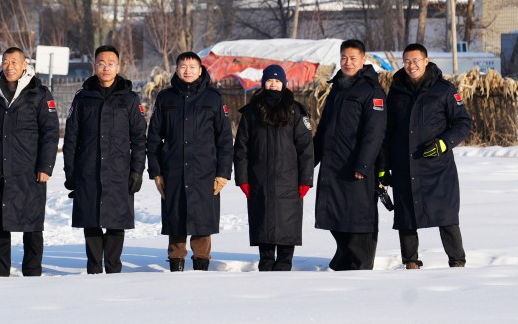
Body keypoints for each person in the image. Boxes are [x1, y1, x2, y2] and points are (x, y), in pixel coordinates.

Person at [385, 43, 472, 269]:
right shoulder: (396, 91)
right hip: (405, 165)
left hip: (437, 168)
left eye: (416, 61)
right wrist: (384, 165)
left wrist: (444, 143)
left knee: (447, 216)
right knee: (406, 218)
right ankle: (410, 262)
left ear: (426, 61)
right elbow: (388, 131)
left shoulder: (444, 89)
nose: (411, 66)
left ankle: (457, 262)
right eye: (407, 62)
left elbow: (463, 123)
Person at [0, 47, 60, 277]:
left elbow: (50, 132)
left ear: (25, 65)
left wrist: (45, 166)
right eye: (5, 61)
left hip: (29, 171)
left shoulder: (39, 93)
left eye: (15, 62)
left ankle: (32, 272)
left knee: (31, 224)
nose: (10, 66)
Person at [63, 45, 147, 274]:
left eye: (111, 63)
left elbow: (139, 138)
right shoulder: (82, 99)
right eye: (101, 63)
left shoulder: (129, 99)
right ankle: (93, 267)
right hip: (87, 170)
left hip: (119, 171)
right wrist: (70, 173)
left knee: (115, 221)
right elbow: (71, 137)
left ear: (118, 67)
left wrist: (137, 170)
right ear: (95, 66)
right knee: (90, 220)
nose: (106, 67)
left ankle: (113, 268)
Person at [146, 51, 233, 272]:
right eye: (183, 66)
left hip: (205, 172)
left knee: (202, 222)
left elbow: (224, 139)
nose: (187, 70)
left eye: (192, 67)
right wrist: (156, 172)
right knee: (176, 220)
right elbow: (154, 137)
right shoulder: (165, 98)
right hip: (173, 171)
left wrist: (223, 173)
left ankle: (202, 265)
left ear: (201, 70)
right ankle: (176, 263)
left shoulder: (213, 98)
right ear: (176, 69)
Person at [313, 39, 387, 271]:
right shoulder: (338, 87)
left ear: (363, 59)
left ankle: (360, 264)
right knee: (335, 215)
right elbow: (324, 128)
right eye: (344, 57)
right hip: (334, 164)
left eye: (353, 58)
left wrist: (364, 165)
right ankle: (343, 257)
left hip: (357, 167)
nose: (347, 62)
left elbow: (374, 134)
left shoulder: (371, 91)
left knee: (357, 219)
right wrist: (310, 160)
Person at [234, 64, 314, 271]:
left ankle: (285, 263)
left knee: (287, 224)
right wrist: (242, 179)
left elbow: (306, 149)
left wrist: (305, 180)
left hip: (289, 180)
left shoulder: (295, 110)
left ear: (284, 84)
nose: (273, 84)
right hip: (258, 179)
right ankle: (266, 262)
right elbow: (241, 148)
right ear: (263, 83)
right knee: (263, 222)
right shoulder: (252, 111)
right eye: (270, 80)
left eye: (277, 81)